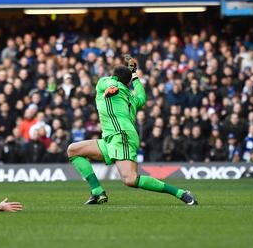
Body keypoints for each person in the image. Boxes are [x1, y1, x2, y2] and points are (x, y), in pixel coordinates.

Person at [67, 56, 197, 205]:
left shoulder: (106, 82)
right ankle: (97, 192)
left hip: (121, 135)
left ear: (113, 75)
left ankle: (181, 193)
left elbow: (111, 83)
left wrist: (111, 89)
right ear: (128, 82)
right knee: (73, 150)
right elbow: (141, 95)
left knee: (130, 179)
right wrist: (134, 74)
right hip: (113, 137)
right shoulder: (132, 98)